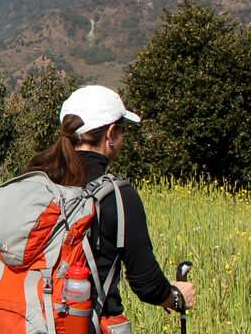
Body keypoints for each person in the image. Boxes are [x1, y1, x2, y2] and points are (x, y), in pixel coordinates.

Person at [25, 85, 196, 329]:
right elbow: (147, 284)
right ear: (111, 134)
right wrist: (176, 296)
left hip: (27, 321)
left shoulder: (36, 181)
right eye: (122, 131)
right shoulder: (116, 195)